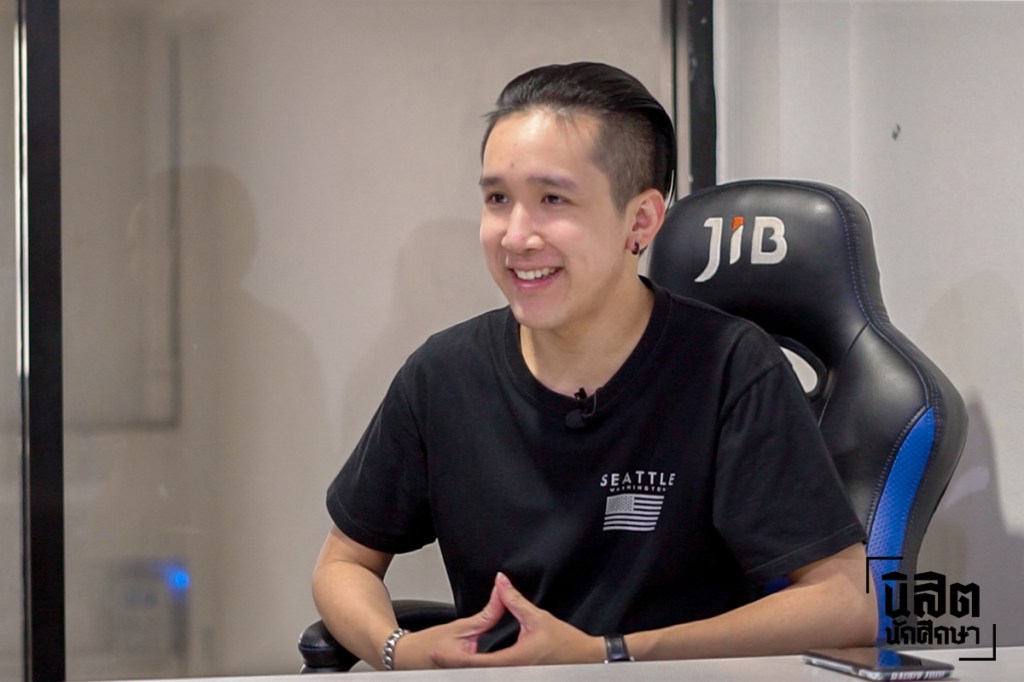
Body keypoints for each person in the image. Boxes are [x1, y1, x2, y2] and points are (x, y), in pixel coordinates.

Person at [312, 62, 876, 671]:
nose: (516, 236)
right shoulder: (442, 376)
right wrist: (398, 650)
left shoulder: (730, 367)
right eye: (498, 199)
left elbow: (847, 602)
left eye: (552, 200)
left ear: (641, 220)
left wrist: (608, 655)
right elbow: (343, 563)